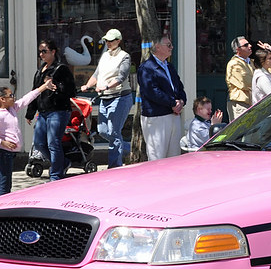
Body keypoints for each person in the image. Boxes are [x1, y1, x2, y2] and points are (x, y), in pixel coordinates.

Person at [0, 79, 55, 196]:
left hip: (9, 153)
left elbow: (26, 99)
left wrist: (44, 87)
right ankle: (0, 205)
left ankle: (3, 204)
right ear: (2, 99)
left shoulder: (12, 109)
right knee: (5, 186)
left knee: (7, 184)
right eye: (11, 95)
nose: (14, 97)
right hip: (4, 154)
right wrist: (2, 142)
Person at [80, 29, 133, 168]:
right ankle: (128, 147)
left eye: (111, 40)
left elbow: (121, 77)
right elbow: (96, 75)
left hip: (120, 97)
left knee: (114, 132)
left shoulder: (124, 56)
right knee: (103, 130)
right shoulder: (104, 55)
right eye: (106, 40)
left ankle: (114, 166)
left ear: (118, 41)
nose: (108, 43)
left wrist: (106, 86)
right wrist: (87, 85)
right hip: (105, 98)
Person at [26, 39, 76, 181]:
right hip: (43, 112)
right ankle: (62, 163)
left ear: (53, 52)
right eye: (40, 52)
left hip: (58, 111)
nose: (41, 54)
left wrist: (57, 86)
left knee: (53, 143)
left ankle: (56, 175)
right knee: (39, 143)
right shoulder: (40, 71)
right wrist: (30, 112)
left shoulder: (61, 69)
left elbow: (71, 90)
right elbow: (35, 92)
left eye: (44, 51)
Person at [137, 36, 186, 160]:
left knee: (174, 157)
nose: (172, 47)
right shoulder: (146, 68)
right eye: (168, 45)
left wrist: (181, 101)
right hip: (156, 117)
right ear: (158, 47)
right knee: (157, 157)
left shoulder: (169, 66)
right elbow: (152, 92)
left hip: (173, 115)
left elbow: (179, 87)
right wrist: (172, 103)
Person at [226, 36, 254, 120]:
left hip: (252, 103)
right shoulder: (234, 64)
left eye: (249, 44)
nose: (250, 46)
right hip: (240, 103)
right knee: (244, 128)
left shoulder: (251, 62)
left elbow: (268, 70)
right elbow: (245, 82)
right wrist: (261, 82)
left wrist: (270, 52)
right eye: (246, 45)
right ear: (238, 49)